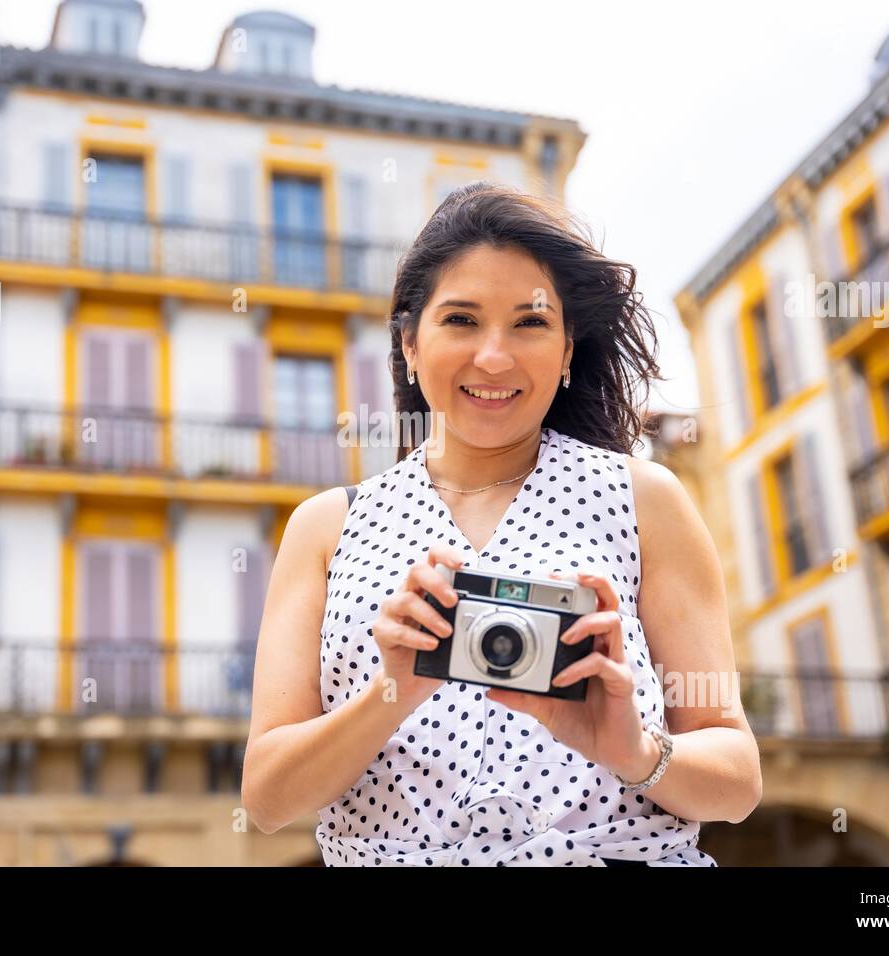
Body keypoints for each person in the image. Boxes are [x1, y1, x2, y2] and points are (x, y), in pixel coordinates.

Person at [242, 182, 761, 866]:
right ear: (409, 344)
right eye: (460, 320)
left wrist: (634, 750)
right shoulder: (327, 528)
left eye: (530, 322)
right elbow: (267, 798)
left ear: (568, 349)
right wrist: (390, 692)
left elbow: (736, 781)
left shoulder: (643, 499)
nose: (494, 356)